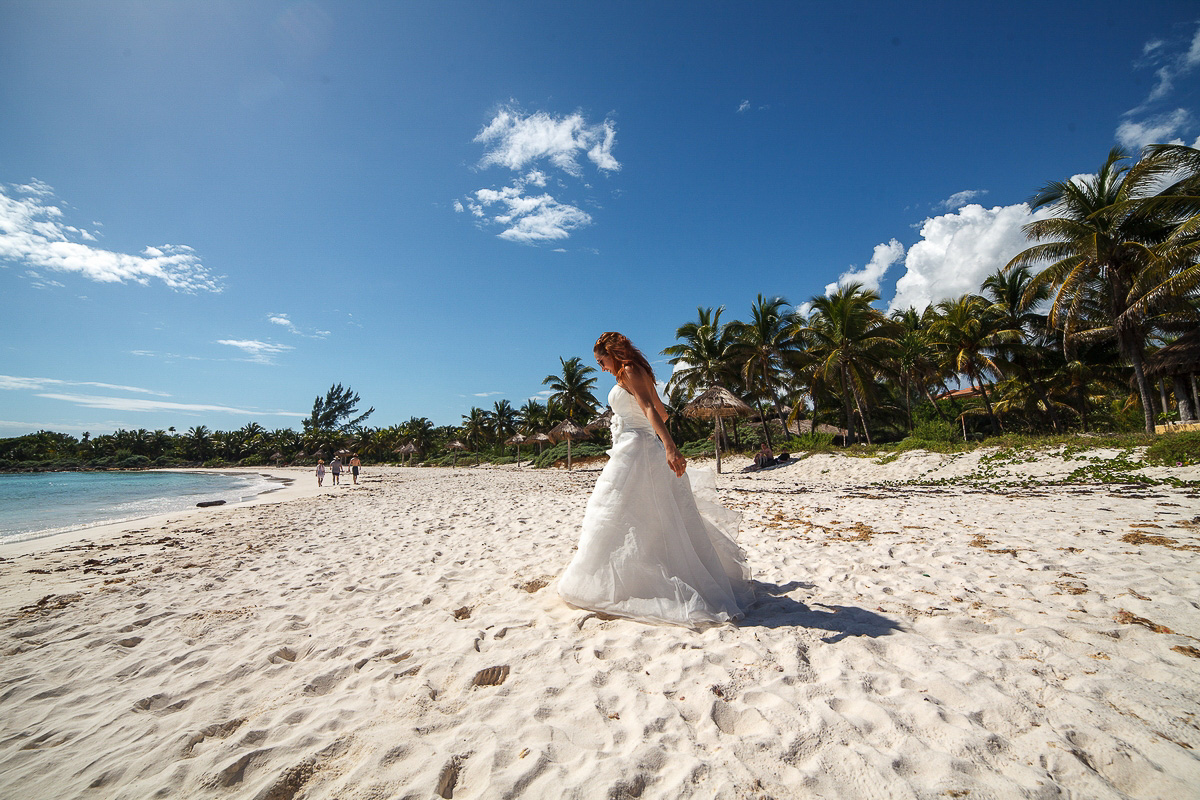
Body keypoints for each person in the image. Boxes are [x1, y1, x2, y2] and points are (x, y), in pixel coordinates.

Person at [557, 332, 753, 627]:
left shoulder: (631, 371)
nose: (601, 368)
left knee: (622, 512)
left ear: (613, 353)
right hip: (636, 444)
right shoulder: (641, 371)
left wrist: (669, 446)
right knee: (638, 514)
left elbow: (650, 409)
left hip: (636, 449)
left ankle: (638, 583)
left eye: (602, 361)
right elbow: (661, 409)